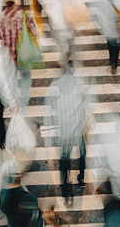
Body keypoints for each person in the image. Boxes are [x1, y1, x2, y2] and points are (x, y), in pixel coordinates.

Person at [45, 62, 93, 202]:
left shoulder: (58, 100)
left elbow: (52, 111)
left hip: (65, 134)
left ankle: (66, 187)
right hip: (78, 132)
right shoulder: (77, 95)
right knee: (82, 154)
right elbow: (87, 107)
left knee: (64, 159)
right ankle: (81, 178)